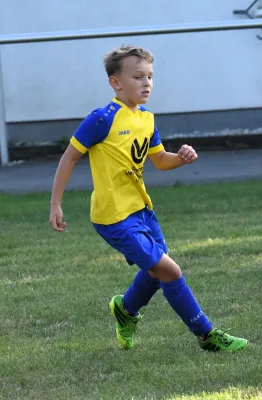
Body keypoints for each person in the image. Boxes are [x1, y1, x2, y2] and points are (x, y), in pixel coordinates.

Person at [49, 45, 248, 352]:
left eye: (150, 77)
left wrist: (181, 158)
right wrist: (55, 204)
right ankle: (207, 335)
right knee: (170, 270)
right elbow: (69, 157)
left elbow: (159, 160)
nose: (147, 83)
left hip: (141, 210)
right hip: (113, 217)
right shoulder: (101, 120)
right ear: (116, 83)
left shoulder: (147, 119)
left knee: (157, 273)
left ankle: (126, 310)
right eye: (138, 77)